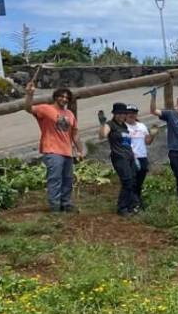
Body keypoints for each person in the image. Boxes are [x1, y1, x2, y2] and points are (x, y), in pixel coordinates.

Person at [23, 81, 84, 212]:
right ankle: (55, 207)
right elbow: (28, 108)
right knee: (55, 179)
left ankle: (66, 204)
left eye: (67, 97)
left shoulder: (70, 114)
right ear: (56, 97)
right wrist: (29, 94)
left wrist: (80, 150)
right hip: (52, 150)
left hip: (67, 151)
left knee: (67, 180)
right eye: (61, 96)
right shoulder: (45, 109)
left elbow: (75, 134)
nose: (64, 99)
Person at [97, 102, 140, 215]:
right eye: (118, 113)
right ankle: (122, 208)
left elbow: (128, 143)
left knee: (133, 181)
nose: (121, 115)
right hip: (119, 157)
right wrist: (102, 123)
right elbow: (102, 136)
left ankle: (132, 205)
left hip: (129, 156)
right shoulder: (110, 124)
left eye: (123, 113)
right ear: (114, 114)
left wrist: (134, 157)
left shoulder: (125, 126)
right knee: (127, 181)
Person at [124, 105, 154, 207]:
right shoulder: (123, 126)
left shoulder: (142, 126)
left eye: (134, 112)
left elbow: (147, 142)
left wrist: (153, 135)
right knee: (131, 181)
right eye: (129, 113)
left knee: (139, 181)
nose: (131, 115)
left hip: (142, 156)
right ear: (125, 114)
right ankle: (132, 202)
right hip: (130, 158)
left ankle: (137, 200)